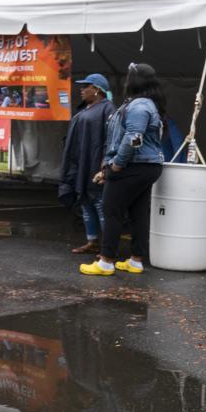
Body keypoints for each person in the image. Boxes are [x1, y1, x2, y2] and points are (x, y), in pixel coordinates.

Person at [79, 63, 165, 277]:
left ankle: (106, 261)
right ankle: (136, 260)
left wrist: (117, 163)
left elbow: (134, 137)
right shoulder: (145, 104)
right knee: (138, 213)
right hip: (147, 166)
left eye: (129, 76)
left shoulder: (139, 106)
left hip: (134, 165)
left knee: (112, 211)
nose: (126, 80)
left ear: (135, 80)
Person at [58, 73, 116, 254]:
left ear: (97, 90)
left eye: (86, 86)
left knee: (99, 203)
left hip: (95, 164)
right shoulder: (85, 109)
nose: (81, 90)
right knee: (85, 203)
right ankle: (92, 242)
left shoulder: (108, 109)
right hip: (81, 163)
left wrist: (105, 163)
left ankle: (109, 248)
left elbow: (111, 138)